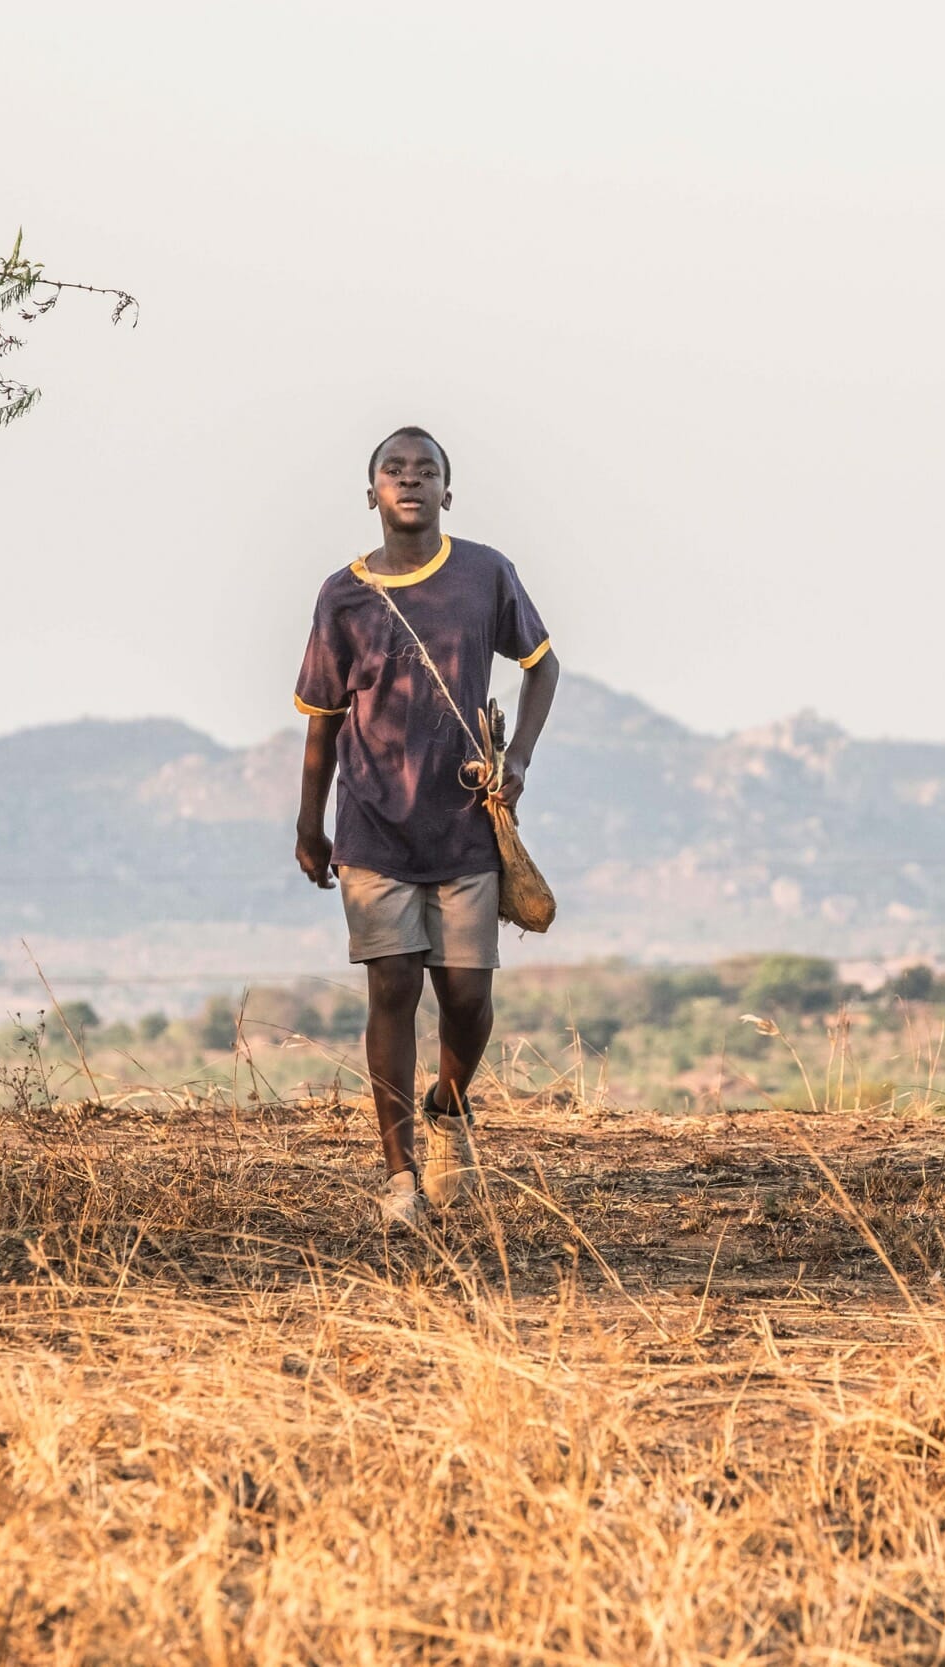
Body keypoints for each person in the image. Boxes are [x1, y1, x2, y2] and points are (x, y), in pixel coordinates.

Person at [292, 427, 560, 1227]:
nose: (409, 481)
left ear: (449, 489)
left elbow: (541, 664)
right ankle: (401, 1175)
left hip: (465, 821)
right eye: (393, 470)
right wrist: (311, 824)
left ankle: (448, 1106)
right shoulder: (341, 594)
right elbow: (322, 720)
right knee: (393, 986)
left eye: (426, 471)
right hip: (372, 822)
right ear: (370, 491)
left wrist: (522, 764)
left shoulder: (485, 574)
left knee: (468, 995)